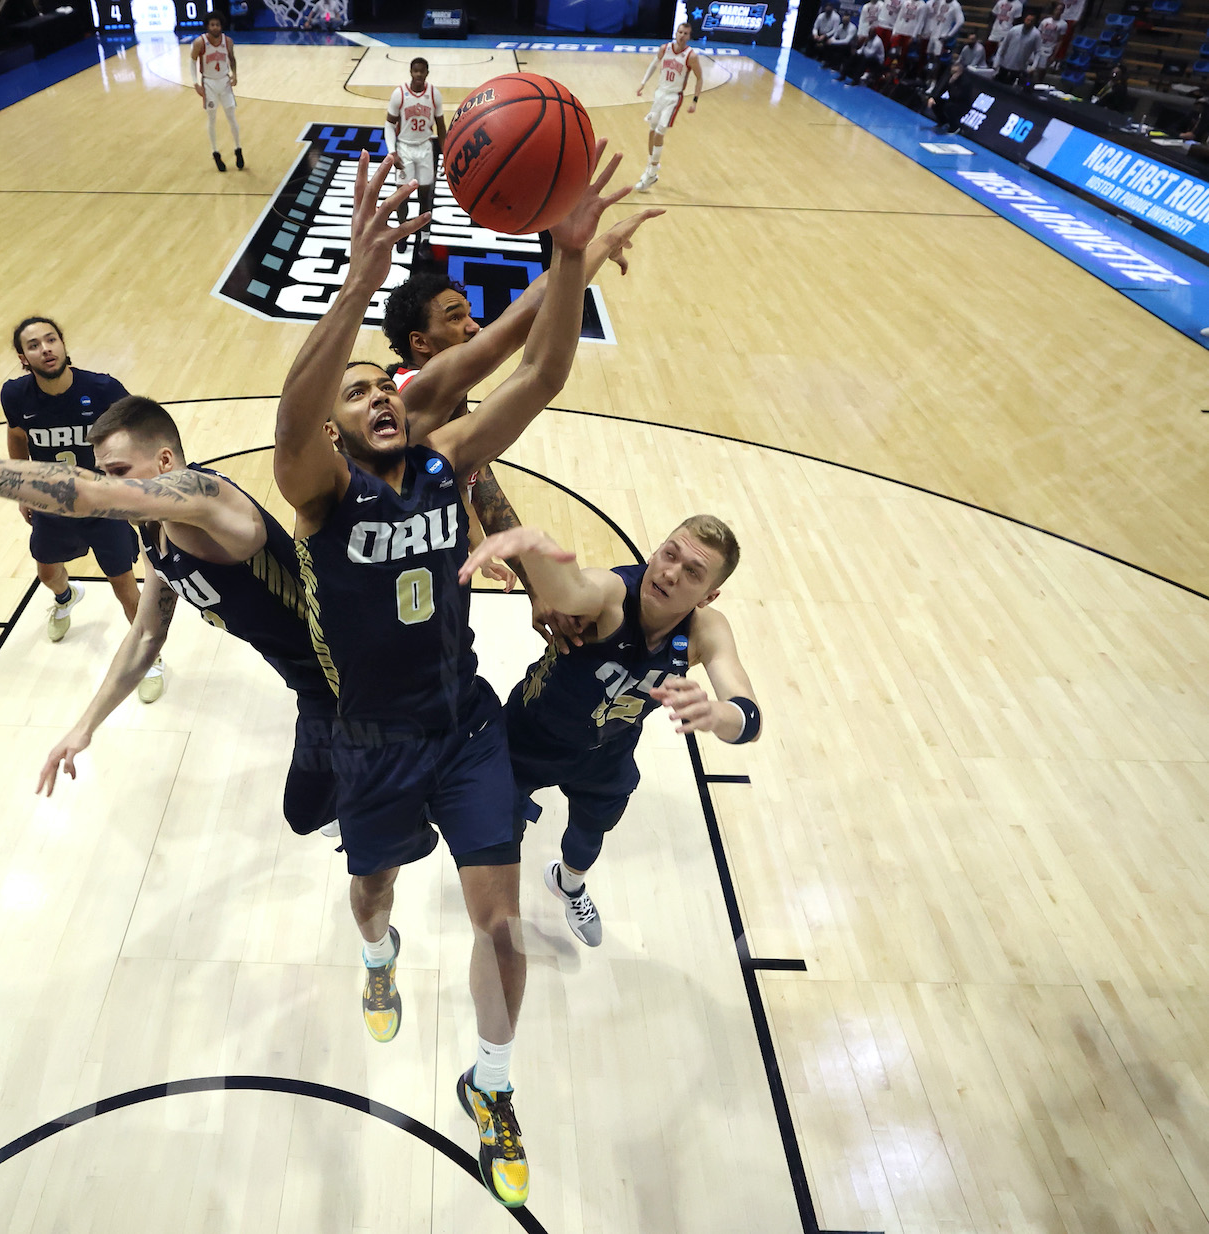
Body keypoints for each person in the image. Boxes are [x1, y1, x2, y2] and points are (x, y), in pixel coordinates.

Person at [272, 146, 659, 1210]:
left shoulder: (445, 462)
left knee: (498, 922)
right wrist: (355, 285)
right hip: (373, 741)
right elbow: (292, 422)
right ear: (338, 429)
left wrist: (566, 261)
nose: (375, 397)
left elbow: (535, 373)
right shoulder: (318, 493)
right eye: (355, 395)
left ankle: (489, 1082)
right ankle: (380, 953)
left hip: (463, 725)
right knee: (371, 895)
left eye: (382, 385)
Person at [0, 397, 343, 832]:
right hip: (314, 682)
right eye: (104, 473)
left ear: (167, 462)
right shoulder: (158, 532)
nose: (109, 484)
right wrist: (85, 726)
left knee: (315, 811)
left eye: (118, 472)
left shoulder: (203, 497)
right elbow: (146, 635)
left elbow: (87, 495)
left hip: (349, 676)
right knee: (311, 812)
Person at [457, 519, 760, 948]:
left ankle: (568, 885)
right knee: (494, 834)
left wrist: (717, 714)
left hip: (607, 750)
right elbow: (575, 590)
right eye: (669, 554)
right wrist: (536, 548)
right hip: (529, 734)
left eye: (693, 572)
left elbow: (748, 715)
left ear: (709, 596)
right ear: (655, 552)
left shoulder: (706, 630)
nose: (671, 572)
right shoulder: (616, 594)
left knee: (589, 836)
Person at [380, 247, 646, 647]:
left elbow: (481, 487)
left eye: (470, 314)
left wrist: (535, 588)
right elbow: (531, 310)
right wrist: (587, 246)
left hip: (429, 578)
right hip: (383, 587)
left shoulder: (448, 412)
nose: (473, 327)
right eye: (455, 318)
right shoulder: (408, 400)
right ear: (420, 342)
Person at [0, 317, 145, 646]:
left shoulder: (103, 390)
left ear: (63, 345)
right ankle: (66, 598)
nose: (45, 349)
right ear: (23, 358)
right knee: (47, 575)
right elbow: (17, 436)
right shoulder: (15, 395)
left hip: (103, 505)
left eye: (51, 340)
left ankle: (148, 658)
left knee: (124, 587)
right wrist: (23, 489)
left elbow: (139, 433)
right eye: (33, 345)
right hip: (53, 502)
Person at [633, 21, 701, 192]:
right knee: (651, 131)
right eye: (680, 32)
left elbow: (700, 78)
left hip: (673, 98)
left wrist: (694, 101)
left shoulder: (691, 56)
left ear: (689, 36)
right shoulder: (665, 48)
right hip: (659, 94)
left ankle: (652, 171)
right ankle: (651, 169)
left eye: (686, 33)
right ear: (675, 33)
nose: (682, 36)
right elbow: (653, 65)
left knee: (659, 133)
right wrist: (643, 84)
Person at [386, 57, 445, 242]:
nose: (418, 74)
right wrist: (392, 152)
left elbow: (441, 127)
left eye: (422, 71)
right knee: (402, 196)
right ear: (410, 72)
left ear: (427, 72)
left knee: (425, 195)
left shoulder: (434, 94)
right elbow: (389, 125)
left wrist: (445, 154)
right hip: (405, 148)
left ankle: (425, 236)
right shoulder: (400, 94)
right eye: (415, 71)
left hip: (425, 147)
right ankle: (401, 235)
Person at [190, 13, 242, 172]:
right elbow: (192, 61)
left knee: (231, 116)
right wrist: (195, 83)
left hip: (224, 82)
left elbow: (232, 59)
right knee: (212, 118)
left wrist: (235, 74)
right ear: (207, 26)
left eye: (217, 25)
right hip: (209, 83)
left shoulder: (228, 41)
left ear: (221, 26)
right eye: (212, 25)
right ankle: (215, 152)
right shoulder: (200, 42)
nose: (215, 27)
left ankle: (238, 149)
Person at [994, 10, 1039, 85]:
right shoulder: (1014, 30)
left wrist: (1033, 67)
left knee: (1010, 86)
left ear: (1034, 22)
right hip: (1005, 64)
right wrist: (996, 62)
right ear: (1025, 19)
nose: (1029, 22)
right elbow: (1003, 46)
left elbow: (1038, 52)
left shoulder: (1036, 34)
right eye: (1028, 20)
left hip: (1019, 67)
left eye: (1032, 21)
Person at [1033, 6, 1063, 78]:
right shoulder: (1045, 21)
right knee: (1032, 66)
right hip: (1039, 46)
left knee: (1042, 69)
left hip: (1049, 49)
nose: (1057, 11)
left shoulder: (1063, 24)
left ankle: (1039, 82)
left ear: (1062, 12)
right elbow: (1038, 33)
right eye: (1056, 9)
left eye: (1060, 10)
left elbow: (1060, 40)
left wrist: (1054, 55)